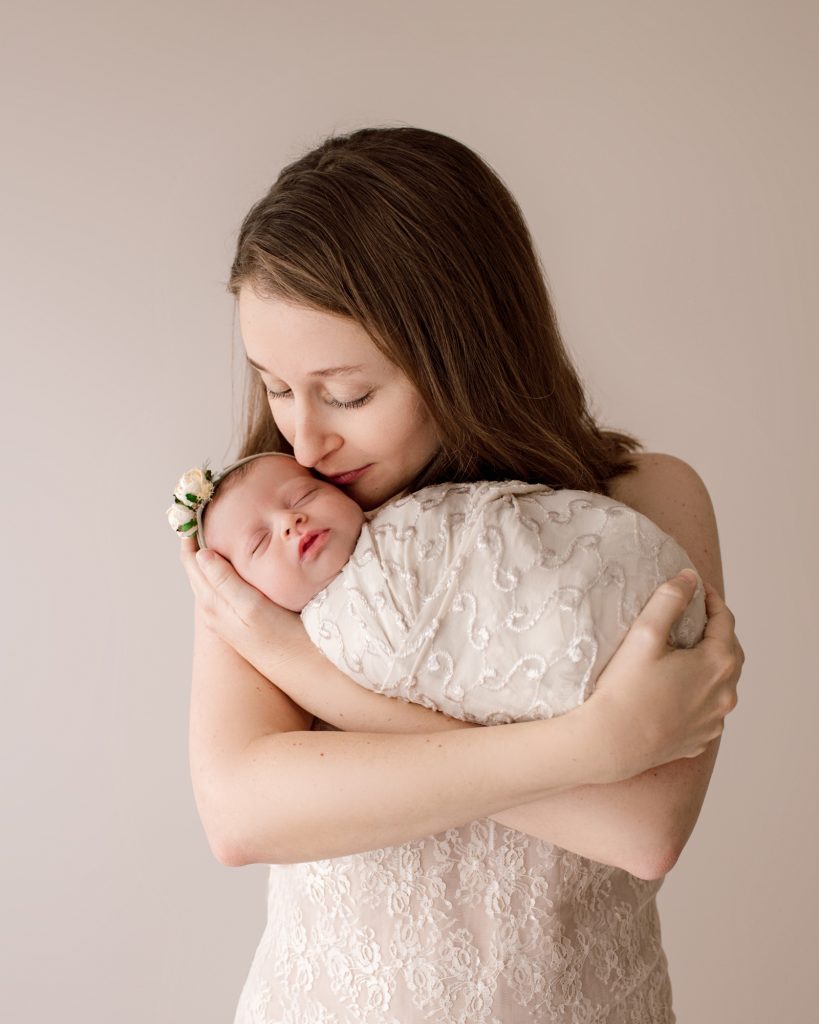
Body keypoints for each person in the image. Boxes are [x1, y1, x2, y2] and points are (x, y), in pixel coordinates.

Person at [178, 126, 744, 1023]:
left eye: (348, 393)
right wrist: (598, 746)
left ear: (466, 350)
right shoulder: (274, 532)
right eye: (277, 387)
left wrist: (303, 670)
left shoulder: (646, 502)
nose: (304, 440)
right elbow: (241, 815)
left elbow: (639, 830)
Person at [169, 451, 707, 728]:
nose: (291, 521)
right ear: (243, 588)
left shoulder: (401, 512)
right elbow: (236, 827)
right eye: (261, 543)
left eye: (304, 493)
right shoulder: (318, 629)